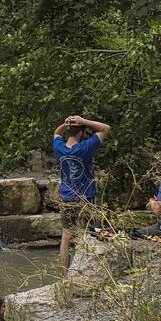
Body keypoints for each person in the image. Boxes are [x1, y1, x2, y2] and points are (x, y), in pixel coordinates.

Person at [52, 114, 111, 269]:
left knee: (66, 235)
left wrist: (65, 123)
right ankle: (82, 270)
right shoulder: (85, 148)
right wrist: (84, 121)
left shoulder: (59, 147)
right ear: (82, 133)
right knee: (86, 234)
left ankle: (64, 273)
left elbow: (57, 133)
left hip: (66, 197)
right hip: (84, 198)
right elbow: (105, 128)